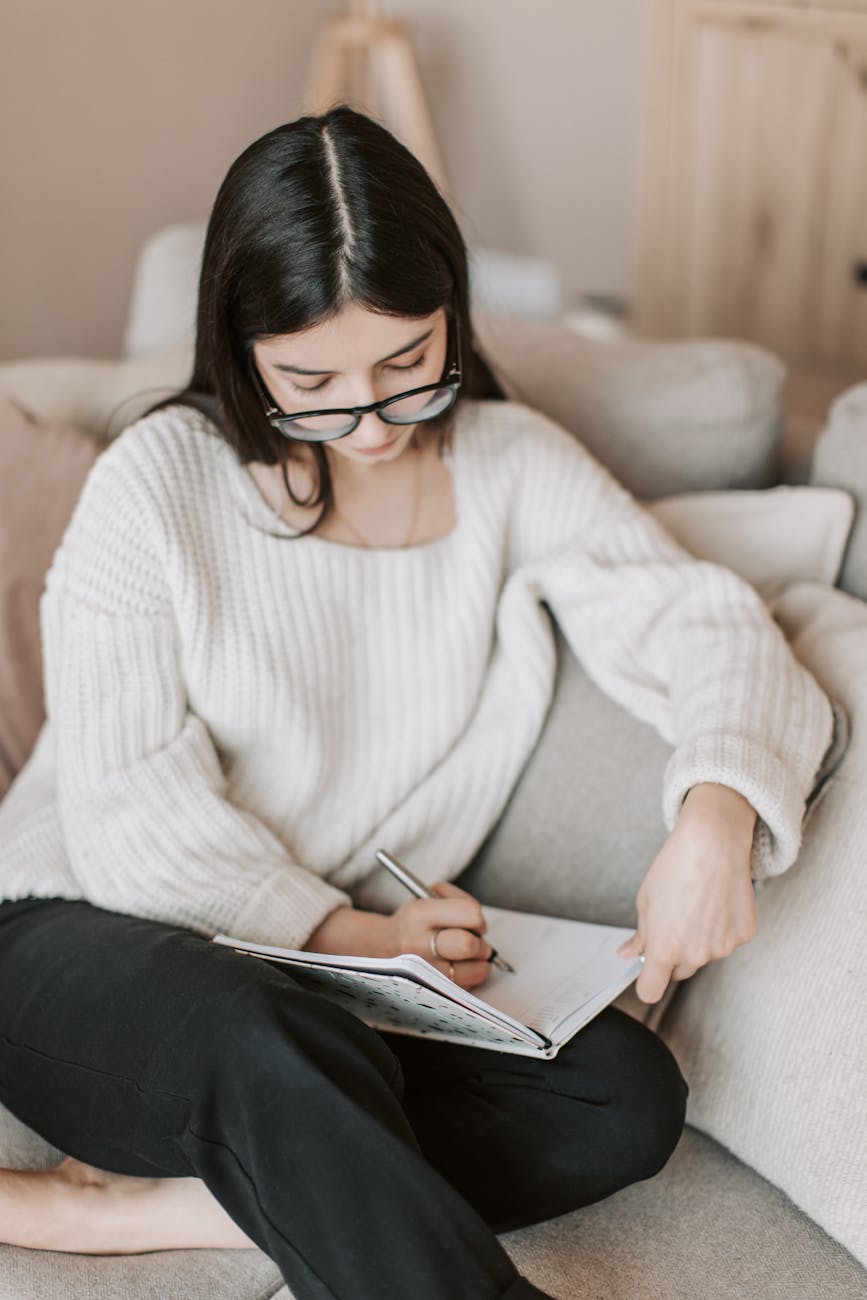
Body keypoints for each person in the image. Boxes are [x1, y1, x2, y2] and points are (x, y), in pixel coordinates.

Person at [0, 106, 833, 1300]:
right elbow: (130, 815)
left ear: (451, 312)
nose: (374, 424)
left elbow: (703, 621)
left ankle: (140, 1210)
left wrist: (717, 816)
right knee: (262, 1029)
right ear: (240, 353)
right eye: (312, 387)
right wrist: (359, 937)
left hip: (328, 988)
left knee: (622, 1093)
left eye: (406, 365)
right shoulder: (158, 487)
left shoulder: (511, 465)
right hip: (77, 933)